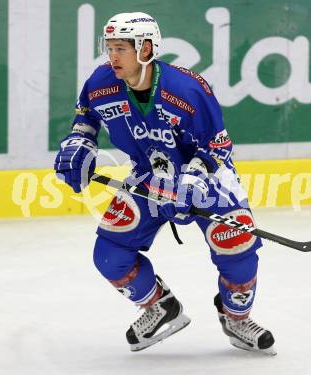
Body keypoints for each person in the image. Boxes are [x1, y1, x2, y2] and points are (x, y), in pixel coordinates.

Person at [55, 12, 275, 354]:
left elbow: (218, 145)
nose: (113, 56)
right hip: (148, 178)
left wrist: (195, 177)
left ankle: (237, 318)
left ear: (145, 49)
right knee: (109, 255)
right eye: (109, 47)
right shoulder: (101, 83)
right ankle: (160, 308)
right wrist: (80, 142)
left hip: (207, 177)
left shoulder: (187, 88)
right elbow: (85, 117)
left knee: (237, 245)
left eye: (121, 48)